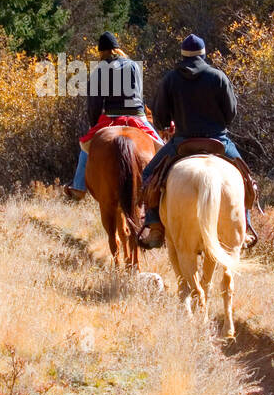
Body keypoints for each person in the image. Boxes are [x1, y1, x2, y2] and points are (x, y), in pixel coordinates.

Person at [138, 34, 256, 249]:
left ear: (182, 55)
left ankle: (155, 227)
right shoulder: (218, 77)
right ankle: (245, 227)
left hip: (182, 142)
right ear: (203, 54)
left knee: (148, 177)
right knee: (247, 179)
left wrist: (169, 124)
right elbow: (231, 113)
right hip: (218, 140)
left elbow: (161, 115)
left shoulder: (171, 79)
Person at [63, 33, 163, 200]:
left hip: (112, 117)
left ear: (102, 52)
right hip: (138, 115)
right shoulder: (133, 66)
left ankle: (78, 188)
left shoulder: (100, 69)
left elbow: (94, 103)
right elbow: (138, 94)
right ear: (118, 48)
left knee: (85, 148)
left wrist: (94, 125)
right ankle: (164, 184)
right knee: (162, 147)